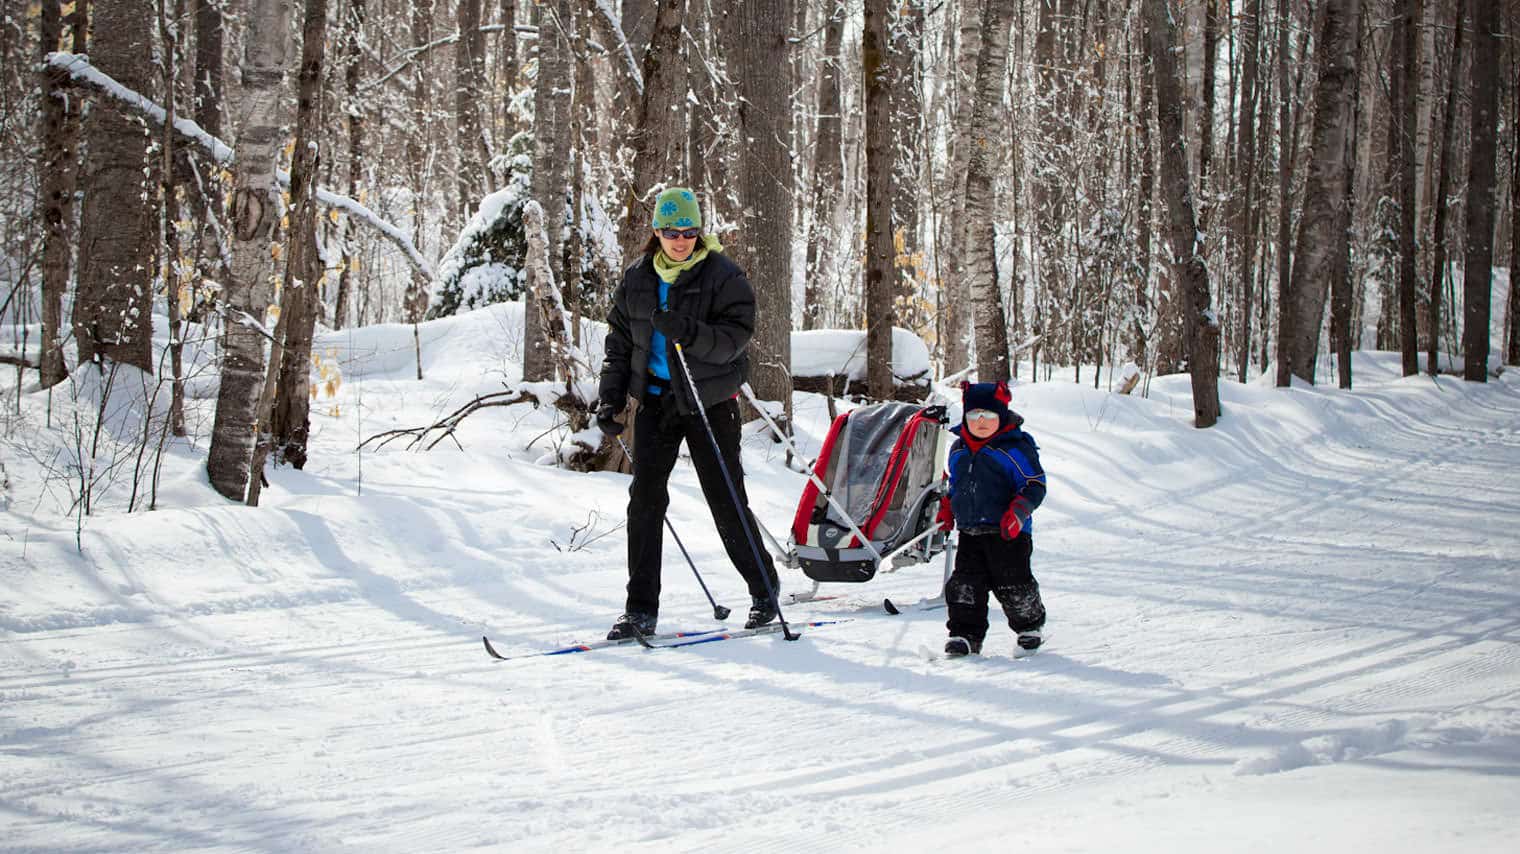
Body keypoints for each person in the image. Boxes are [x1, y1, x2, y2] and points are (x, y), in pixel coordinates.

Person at [594, 186, 781, 640]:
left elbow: (734, 340)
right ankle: (640, 610)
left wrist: (688, 331)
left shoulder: (723, 276)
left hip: (708, 400)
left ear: (700, 231)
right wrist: (610, 400)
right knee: (645, 500)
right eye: (671, 231)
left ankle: (764, 589)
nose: (681, 240)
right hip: (657, 400)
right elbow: (618, 345)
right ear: (656, 231)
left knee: (724, 497)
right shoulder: (637, 279)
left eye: (690, 231)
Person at [933, 380, 1048, 656]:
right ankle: (964, 635)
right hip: (970, 530)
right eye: (974, 416)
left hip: (1008, 532)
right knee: (964, 585)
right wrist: (948, 508)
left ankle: (1029, 627)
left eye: (988, 416)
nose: (981, 422)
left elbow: (1034, 483)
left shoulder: (1015, 448)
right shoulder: (958, 449)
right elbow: (958, 485)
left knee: (1012, 582)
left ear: (1001, 416)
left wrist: (1018, 511)